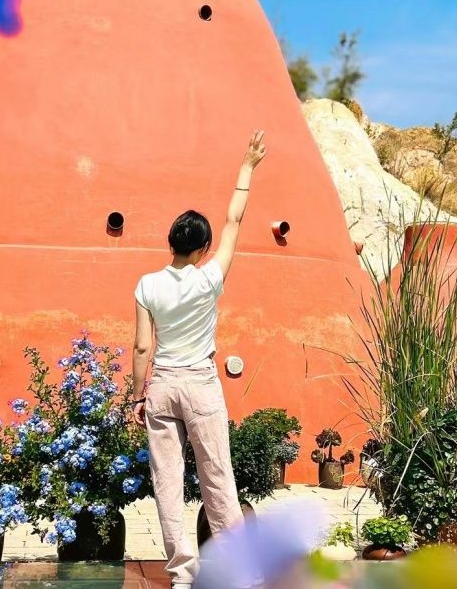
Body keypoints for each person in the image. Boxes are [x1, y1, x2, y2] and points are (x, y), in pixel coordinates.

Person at [131, 131, 267, 589]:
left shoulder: (147, 284)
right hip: (201, 384)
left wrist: (136, 397)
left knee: (168, 484)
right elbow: (234, 219)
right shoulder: (209, 278)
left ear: (171, 242)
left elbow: (142, 347)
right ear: (202, 249)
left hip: (163, 386)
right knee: (218, 481)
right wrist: (247, 167)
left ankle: (181, 575)